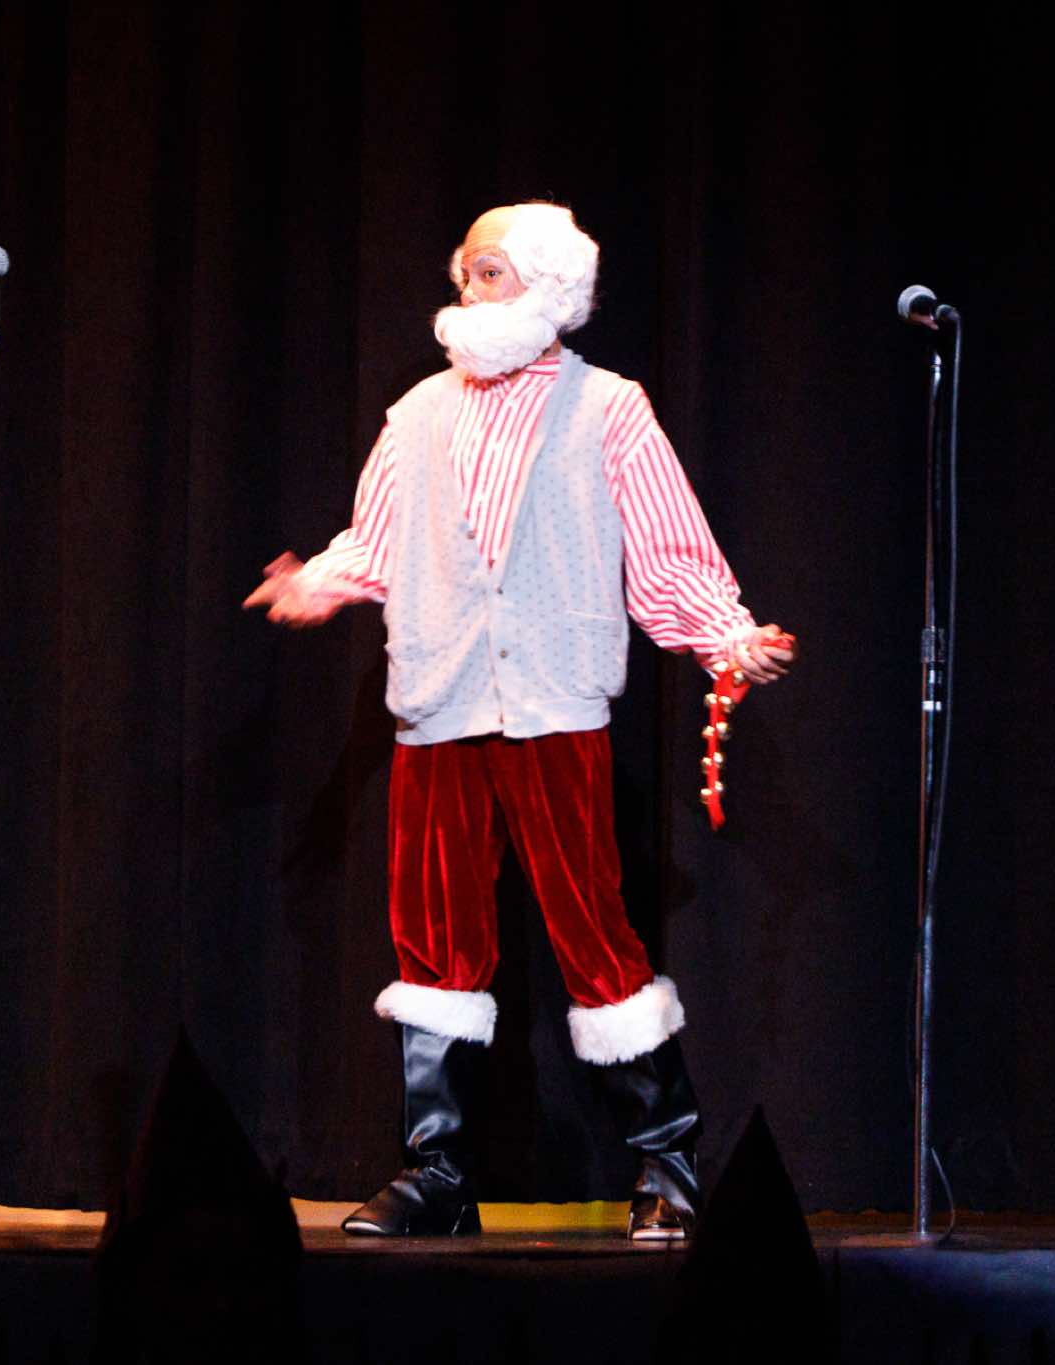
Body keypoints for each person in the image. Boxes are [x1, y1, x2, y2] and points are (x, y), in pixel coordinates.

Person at [245, 202, 796, 1240]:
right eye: (464, 269)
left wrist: (728, 635)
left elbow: (667, 550)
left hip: (551, 698)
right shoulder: (418, 412)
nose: (468, 287)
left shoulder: (608, 408)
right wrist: (317, 582)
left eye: (488, 270)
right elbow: (377, 538)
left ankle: (668, 1162)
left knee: (591, 928)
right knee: (432, 940)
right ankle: (438, 1173)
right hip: (440, 700)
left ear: (547, 286)